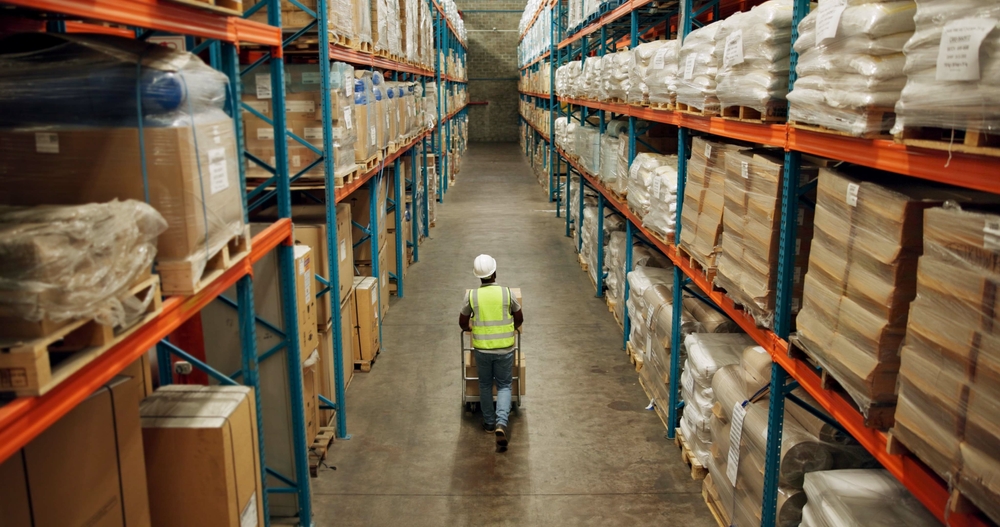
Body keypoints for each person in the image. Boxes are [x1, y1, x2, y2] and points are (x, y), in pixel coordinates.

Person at [459, 254, 523, 448]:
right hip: (505, 348)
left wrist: (472, 328)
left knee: (485, 384)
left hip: (482, 349)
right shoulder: (507, 293)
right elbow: (519, 318)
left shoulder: (472, 295)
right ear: (495, 272)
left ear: (478, 276)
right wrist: (509, 330)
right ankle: (502, 422)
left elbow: (462, 322)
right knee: (504, 385)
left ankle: (488, 423)